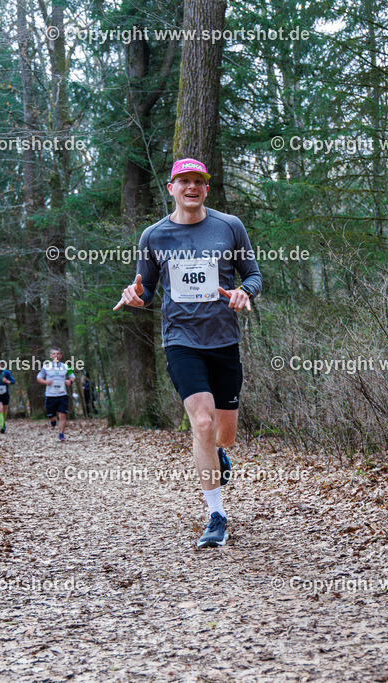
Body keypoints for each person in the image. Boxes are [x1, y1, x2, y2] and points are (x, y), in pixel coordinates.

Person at [114, 157, 261, 548]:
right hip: (180, 340)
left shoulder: (229, 227)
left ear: (206, 189)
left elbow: (253, 273)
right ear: (172, 188)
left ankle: (219, 455)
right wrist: (134, 294)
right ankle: (216, 515)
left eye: (199, 181)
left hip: (224, 340)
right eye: (184, 181)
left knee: (224, 435)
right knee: (201, 423)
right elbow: (144, 289)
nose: (192, 187)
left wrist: (245, 291)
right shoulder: (154, 235)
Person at [36, 347, 74, 441]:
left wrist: (70, 381)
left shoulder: (66, 366)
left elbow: (73, 377)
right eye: (54, 354)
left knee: (62, 415)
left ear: (60, 356)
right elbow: (39, 378)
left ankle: (61, 435)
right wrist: (45, 382)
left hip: (62, 395)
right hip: (50, 395)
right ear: (51, 356)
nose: (56, 355)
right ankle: (53, 420)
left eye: (58, 353)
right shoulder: (46, 367)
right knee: (51, 416)